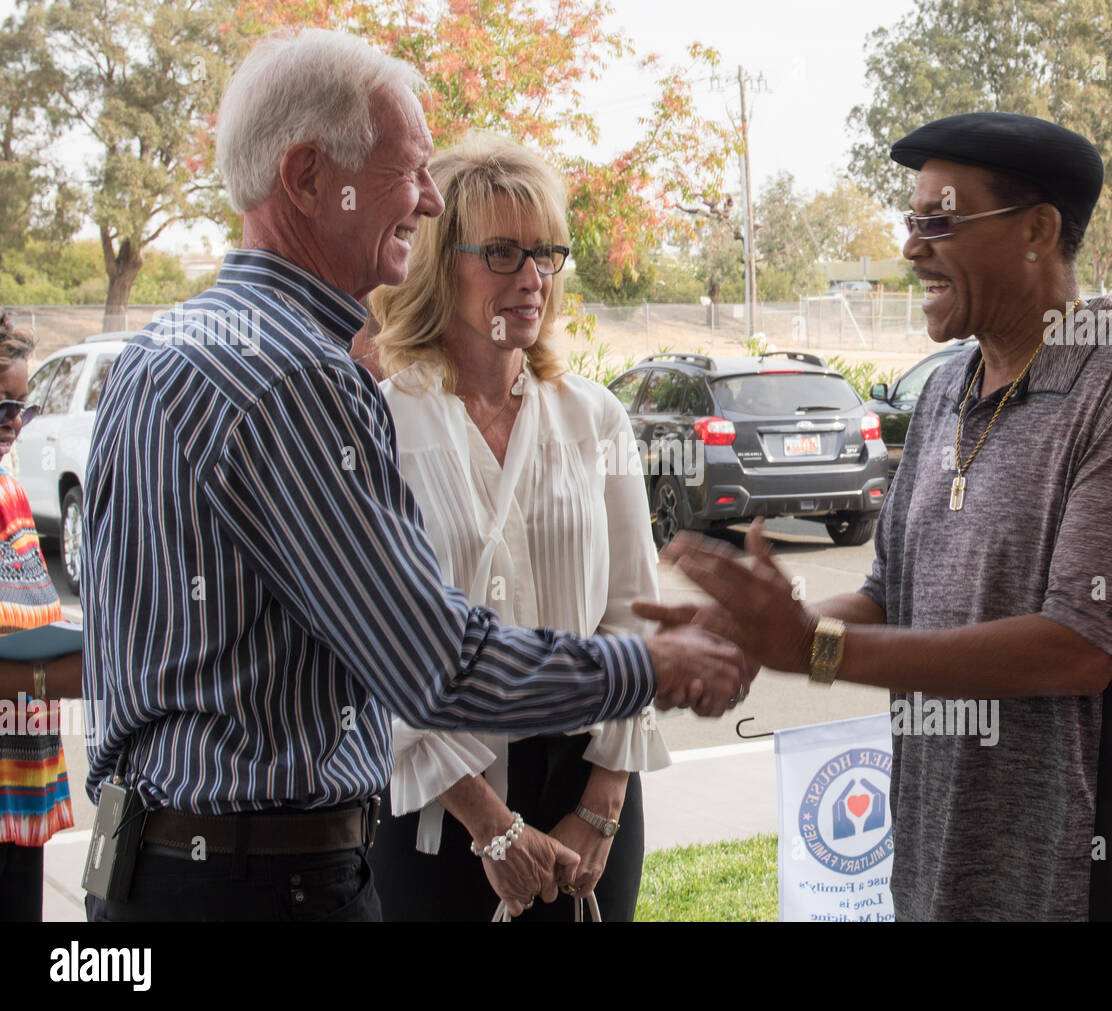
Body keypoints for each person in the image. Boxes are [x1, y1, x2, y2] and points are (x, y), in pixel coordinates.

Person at [80, 28, 746, 923]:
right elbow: (430, 661)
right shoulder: (304, 378)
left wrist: (603, 792)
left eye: (546, 251)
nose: (427, 201)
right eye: (410, 170)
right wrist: (657, 663)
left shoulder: (161, 350)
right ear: (310, 176)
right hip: (267, 884)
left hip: (149, 871)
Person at [638, 112, 1112, 922]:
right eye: (911, 222)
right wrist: (741, 633)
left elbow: (1080, 648)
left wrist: (813, 648)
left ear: (1037, 231)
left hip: (1078, 883)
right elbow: (885, 594)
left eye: (938, 221)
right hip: (938, 865)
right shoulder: (945, 389)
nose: (911, 248)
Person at [366, 133, 670, 921]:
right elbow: (377, 643)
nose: (531, 278)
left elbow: (635, 614)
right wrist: (491, 827)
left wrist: (603, 798)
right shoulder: (382, 423)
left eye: (545, 254)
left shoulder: (595, 415)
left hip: (589, 784)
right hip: (437, 801)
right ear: (441, 263)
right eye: (501, 252)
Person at [0, 312, 84, 921]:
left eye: (22, 408)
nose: (14, 424)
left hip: (19, 786)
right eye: (1, 405)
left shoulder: (12, 493)